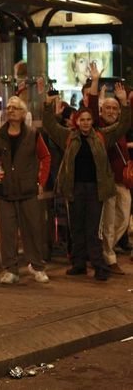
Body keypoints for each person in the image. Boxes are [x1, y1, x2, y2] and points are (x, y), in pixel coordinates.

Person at [43, 79, 131, 281]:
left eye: (88, 120)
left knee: (93, 229)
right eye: (81, 120)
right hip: (74, 188)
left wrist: (124, 102)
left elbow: (123, 124)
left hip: (95, 189)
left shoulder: (102, 135)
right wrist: (48, 104)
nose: (85, 123)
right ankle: (79, 264)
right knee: (77, 228)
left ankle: (100, 266)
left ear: (92, 122)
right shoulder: (68, 136)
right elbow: (49, 125)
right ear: (76, 121)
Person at [0, 96, 51, 284]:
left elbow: (45, 157)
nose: (10, 110)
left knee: (33, 231)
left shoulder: (33, 134)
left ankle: (37, 266)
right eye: (8, 108)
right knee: (7, 233)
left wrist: (40, 181)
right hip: (4, 192)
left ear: (23, 113)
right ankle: (10, 269)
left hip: (28, 191)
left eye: (15, 108)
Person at [82, 62, 131, 275]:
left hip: (123, 180)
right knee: (109, 221)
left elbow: (129, 118)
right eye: (107, 108)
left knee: (123, 216)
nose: (111, 111)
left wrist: (124, 101)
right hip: (107, 182)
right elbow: (91, 106)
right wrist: (94, 81)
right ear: (101, 111)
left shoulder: (120, 126)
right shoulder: (99, 127)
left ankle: (107, 250)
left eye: (115, 108)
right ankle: (108, 257)